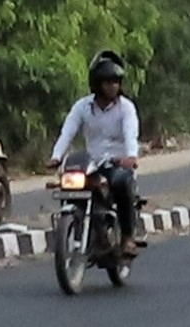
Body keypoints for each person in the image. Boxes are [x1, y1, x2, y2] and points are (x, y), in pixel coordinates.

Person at [49, 51, 144, 254]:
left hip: (118, 164)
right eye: (108, 81)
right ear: (97, 83)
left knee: (122, 182)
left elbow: (130, 133)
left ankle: (127, 237)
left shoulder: (126, 108)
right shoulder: (82, 107)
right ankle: (85, 228)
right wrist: (56, 157)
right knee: (71, 186)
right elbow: (67, 132)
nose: (113, 86)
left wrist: (131, 156)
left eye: (116, 81)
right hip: (92, 163)